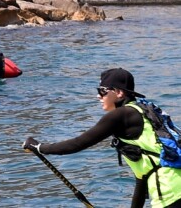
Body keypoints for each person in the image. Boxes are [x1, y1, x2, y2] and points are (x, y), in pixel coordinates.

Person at [23, 68, 181, 208]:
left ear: (119, 93)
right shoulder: (142, 112)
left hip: (172, 195)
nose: (98, 96)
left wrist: (39, 147)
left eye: (102, 91)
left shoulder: (120, 115)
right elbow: (142, 177)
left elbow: (77, 144)